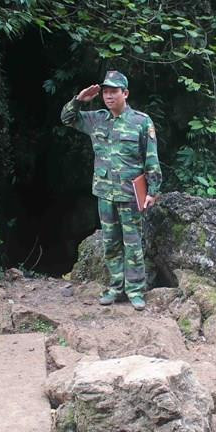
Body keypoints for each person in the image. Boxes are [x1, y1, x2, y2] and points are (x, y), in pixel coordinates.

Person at [60, 70, 161, 311]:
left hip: (129, 193)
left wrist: (153, 190)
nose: (108, 96)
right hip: (105, 192)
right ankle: (116, 288)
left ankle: (136, 290)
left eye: (114, 91)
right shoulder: (96, 119)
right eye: (105, 92)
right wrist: (78, 100)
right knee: (110, 242)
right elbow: (66, 118)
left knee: (134, 243)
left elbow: (151, 159)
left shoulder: (141, 121)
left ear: (125, 93)